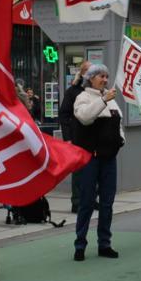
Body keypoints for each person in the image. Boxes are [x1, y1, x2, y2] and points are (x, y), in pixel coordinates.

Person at [71, 63, 124, 261]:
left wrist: (121, 139)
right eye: (101, 75)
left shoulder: (111, 101)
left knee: (107, 203)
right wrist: (103, 100)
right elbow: (84, 117)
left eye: (106, 76)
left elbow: (118, 123)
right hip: (90, 158)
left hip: (109, 158)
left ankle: (104, 243)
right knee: (86, 201)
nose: (105, 79)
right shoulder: (83, 97)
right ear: (91, 78)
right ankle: (80, 244)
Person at [59, 61, 90, 215]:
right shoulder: (72, 91)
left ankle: (91, 199)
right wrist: (68, 138)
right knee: (78, 171)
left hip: (92, 137)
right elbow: (64, 115)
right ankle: (77, 202)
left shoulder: (96, 91)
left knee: (92, 169)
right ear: (83, 73)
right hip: (77, 136)